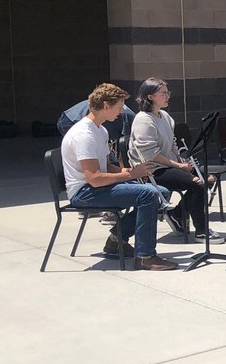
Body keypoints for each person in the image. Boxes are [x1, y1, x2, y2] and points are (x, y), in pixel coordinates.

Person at [61, 83, 178, 270]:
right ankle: (145, 256)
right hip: (85, 192)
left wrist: (130, 172)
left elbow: (107, 166)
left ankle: (116, 240)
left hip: (97, 188)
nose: (122, 111)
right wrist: (131, 174)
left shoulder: (100, 129)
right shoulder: (84, 134)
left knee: (160, 191)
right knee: (148, 195)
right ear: (106, 106)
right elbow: (94, 178)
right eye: (119, 106)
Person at [129, 77, 213, 239]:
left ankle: (177, 214)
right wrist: (178, 166)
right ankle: (202, 231)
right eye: (163, 93)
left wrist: (181, 159)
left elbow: (173, 143)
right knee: (198, 184)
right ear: (150, 96)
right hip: (153, 170)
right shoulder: (143, 120)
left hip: (169, 165)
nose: (167, 96)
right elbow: (150, 154)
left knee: (208, 178)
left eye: (168, 93)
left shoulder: (165, 116)